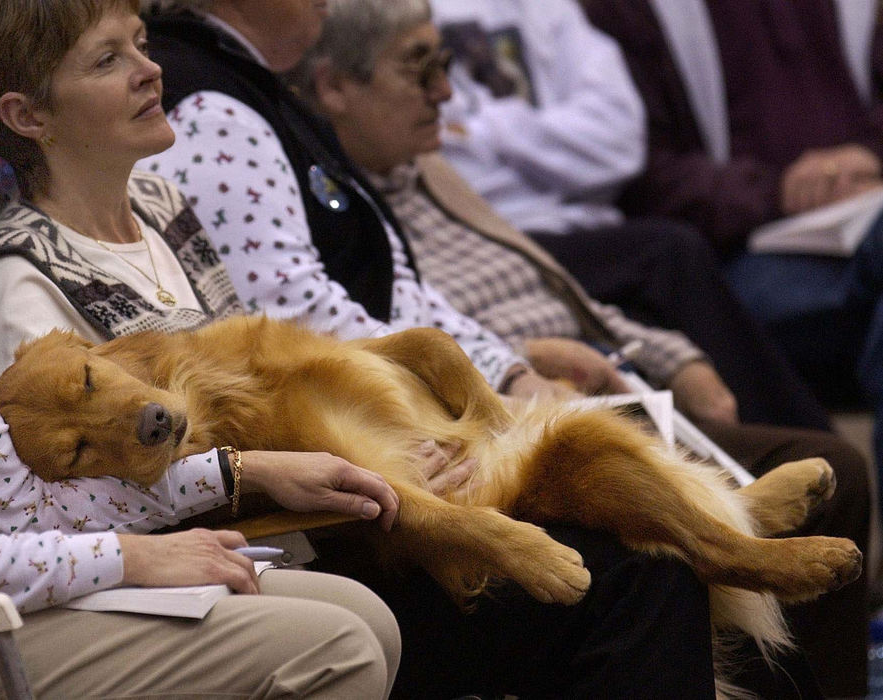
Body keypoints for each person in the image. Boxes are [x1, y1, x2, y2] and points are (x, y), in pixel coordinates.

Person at [130, 2, 829, 698]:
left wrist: (505, 375)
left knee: (717, 506)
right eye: (112, 56)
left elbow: (354, 318)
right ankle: (727, 535)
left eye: (138, 43)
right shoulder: (207, 109)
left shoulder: (196, 151)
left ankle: (730, 533)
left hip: (403, 432)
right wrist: (432, 437)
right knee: (646, 568)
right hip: (346, 510)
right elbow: (285, 329)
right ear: (27, 115)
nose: (145, 69)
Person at [0, 1, 408, 697]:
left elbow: (11, 502)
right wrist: (127, 559)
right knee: (333, 648)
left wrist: (237, 472)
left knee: (363, 617)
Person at [423, 0, 836, 433]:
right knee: (671, 252)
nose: (443, 94)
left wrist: (487, 129)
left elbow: (619, 144)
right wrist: (557, 142)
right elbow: (442, 162)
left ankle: (783, 449)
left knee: (664, 282)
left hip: (594, 225)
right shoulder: (412, 17)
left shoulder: (547, 8)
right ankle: (802, 444)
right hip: (488, 230)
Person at [579, 0, 883, 510]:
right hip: (744, 253)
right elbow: (637, 173)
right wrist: (776, 190)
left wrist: (870, 154)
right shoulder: (626, 10)